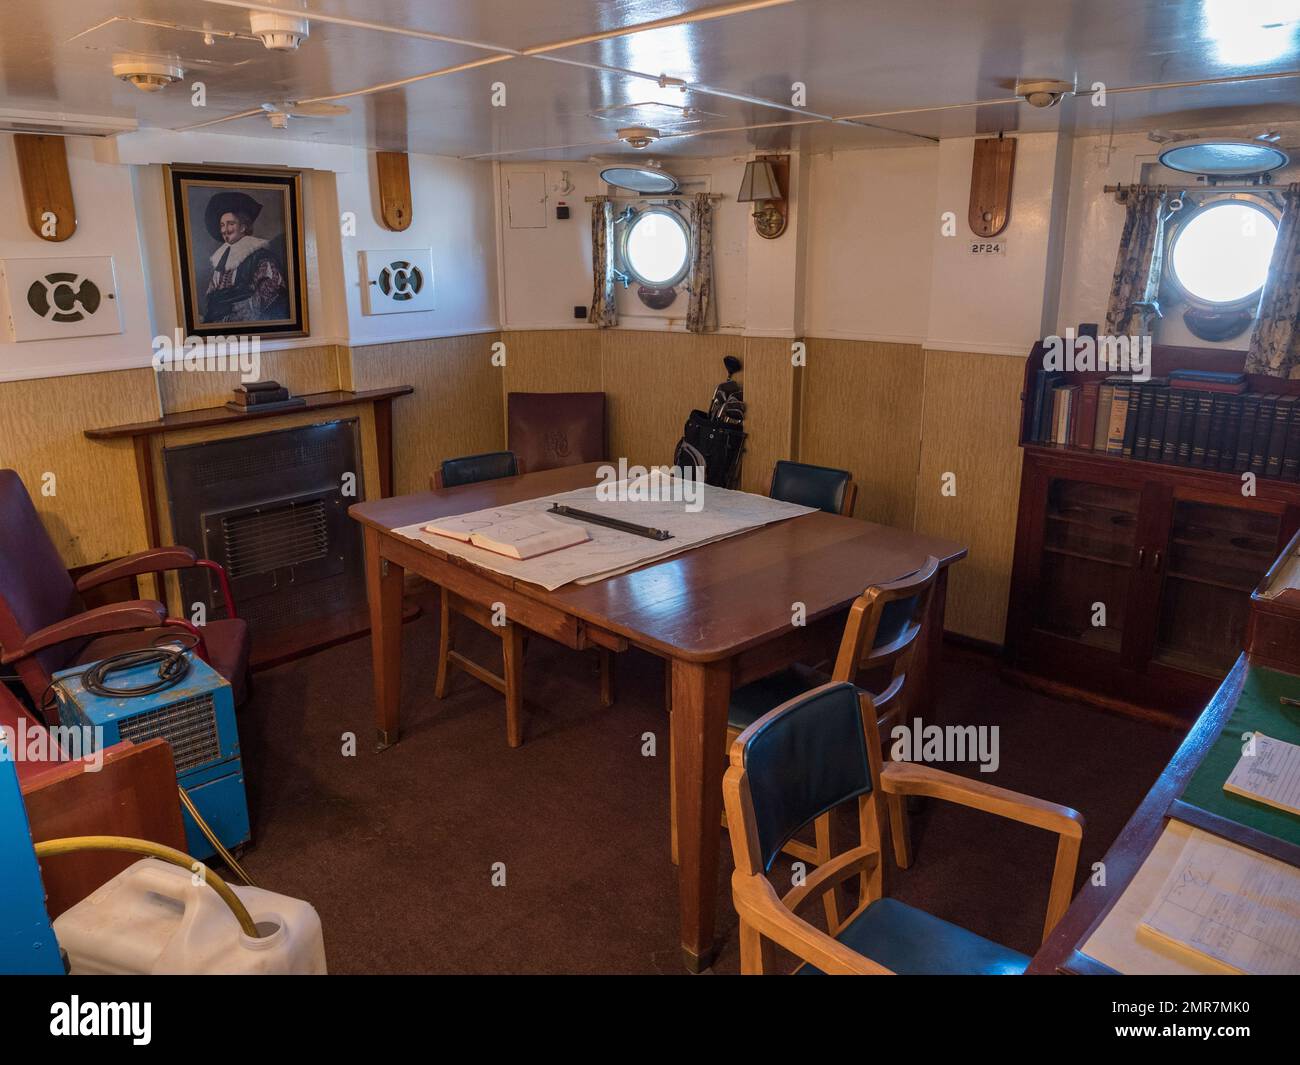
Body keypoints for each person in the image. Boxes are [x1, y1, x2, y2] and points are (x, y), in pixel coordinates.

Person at [201, 191, 281, 323]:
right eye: (222, 225)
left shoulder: (260, 256)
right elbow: (212, 293)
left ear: (243, 227)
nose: (225, 229)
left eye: (231, 223)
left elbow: (273, 286)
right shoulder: (220, 259)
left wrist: (242, 310)